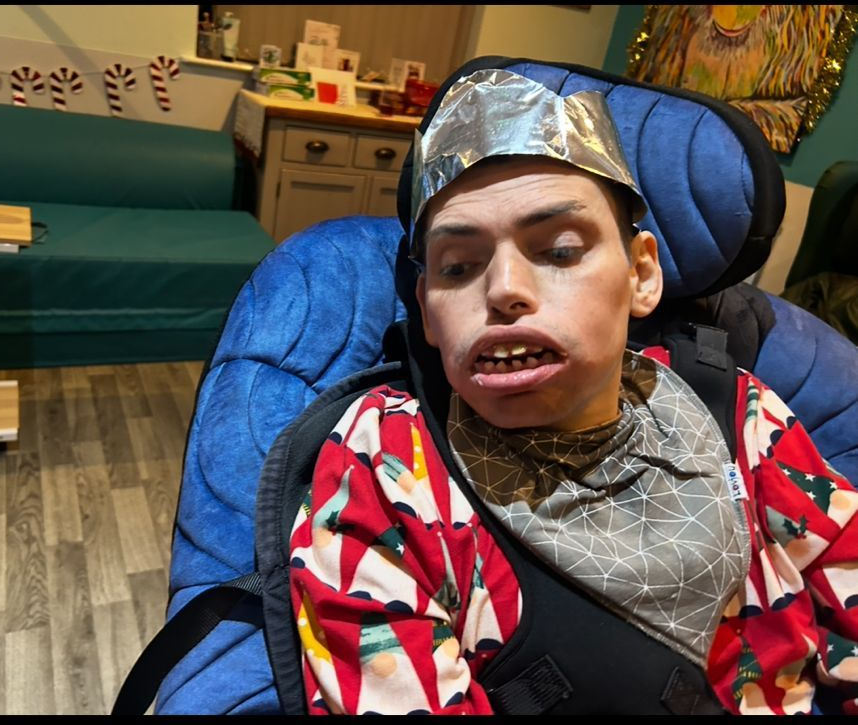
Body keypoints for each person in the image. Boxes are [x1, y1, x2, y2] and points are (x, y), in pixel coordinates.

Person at [287, 68, 858, 715]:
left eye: (558, 250)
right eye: (457, 266)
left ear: (642, 273)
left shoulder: (735, 415)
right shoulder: (388, 473)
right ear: (425, 307)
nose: (503, 288)